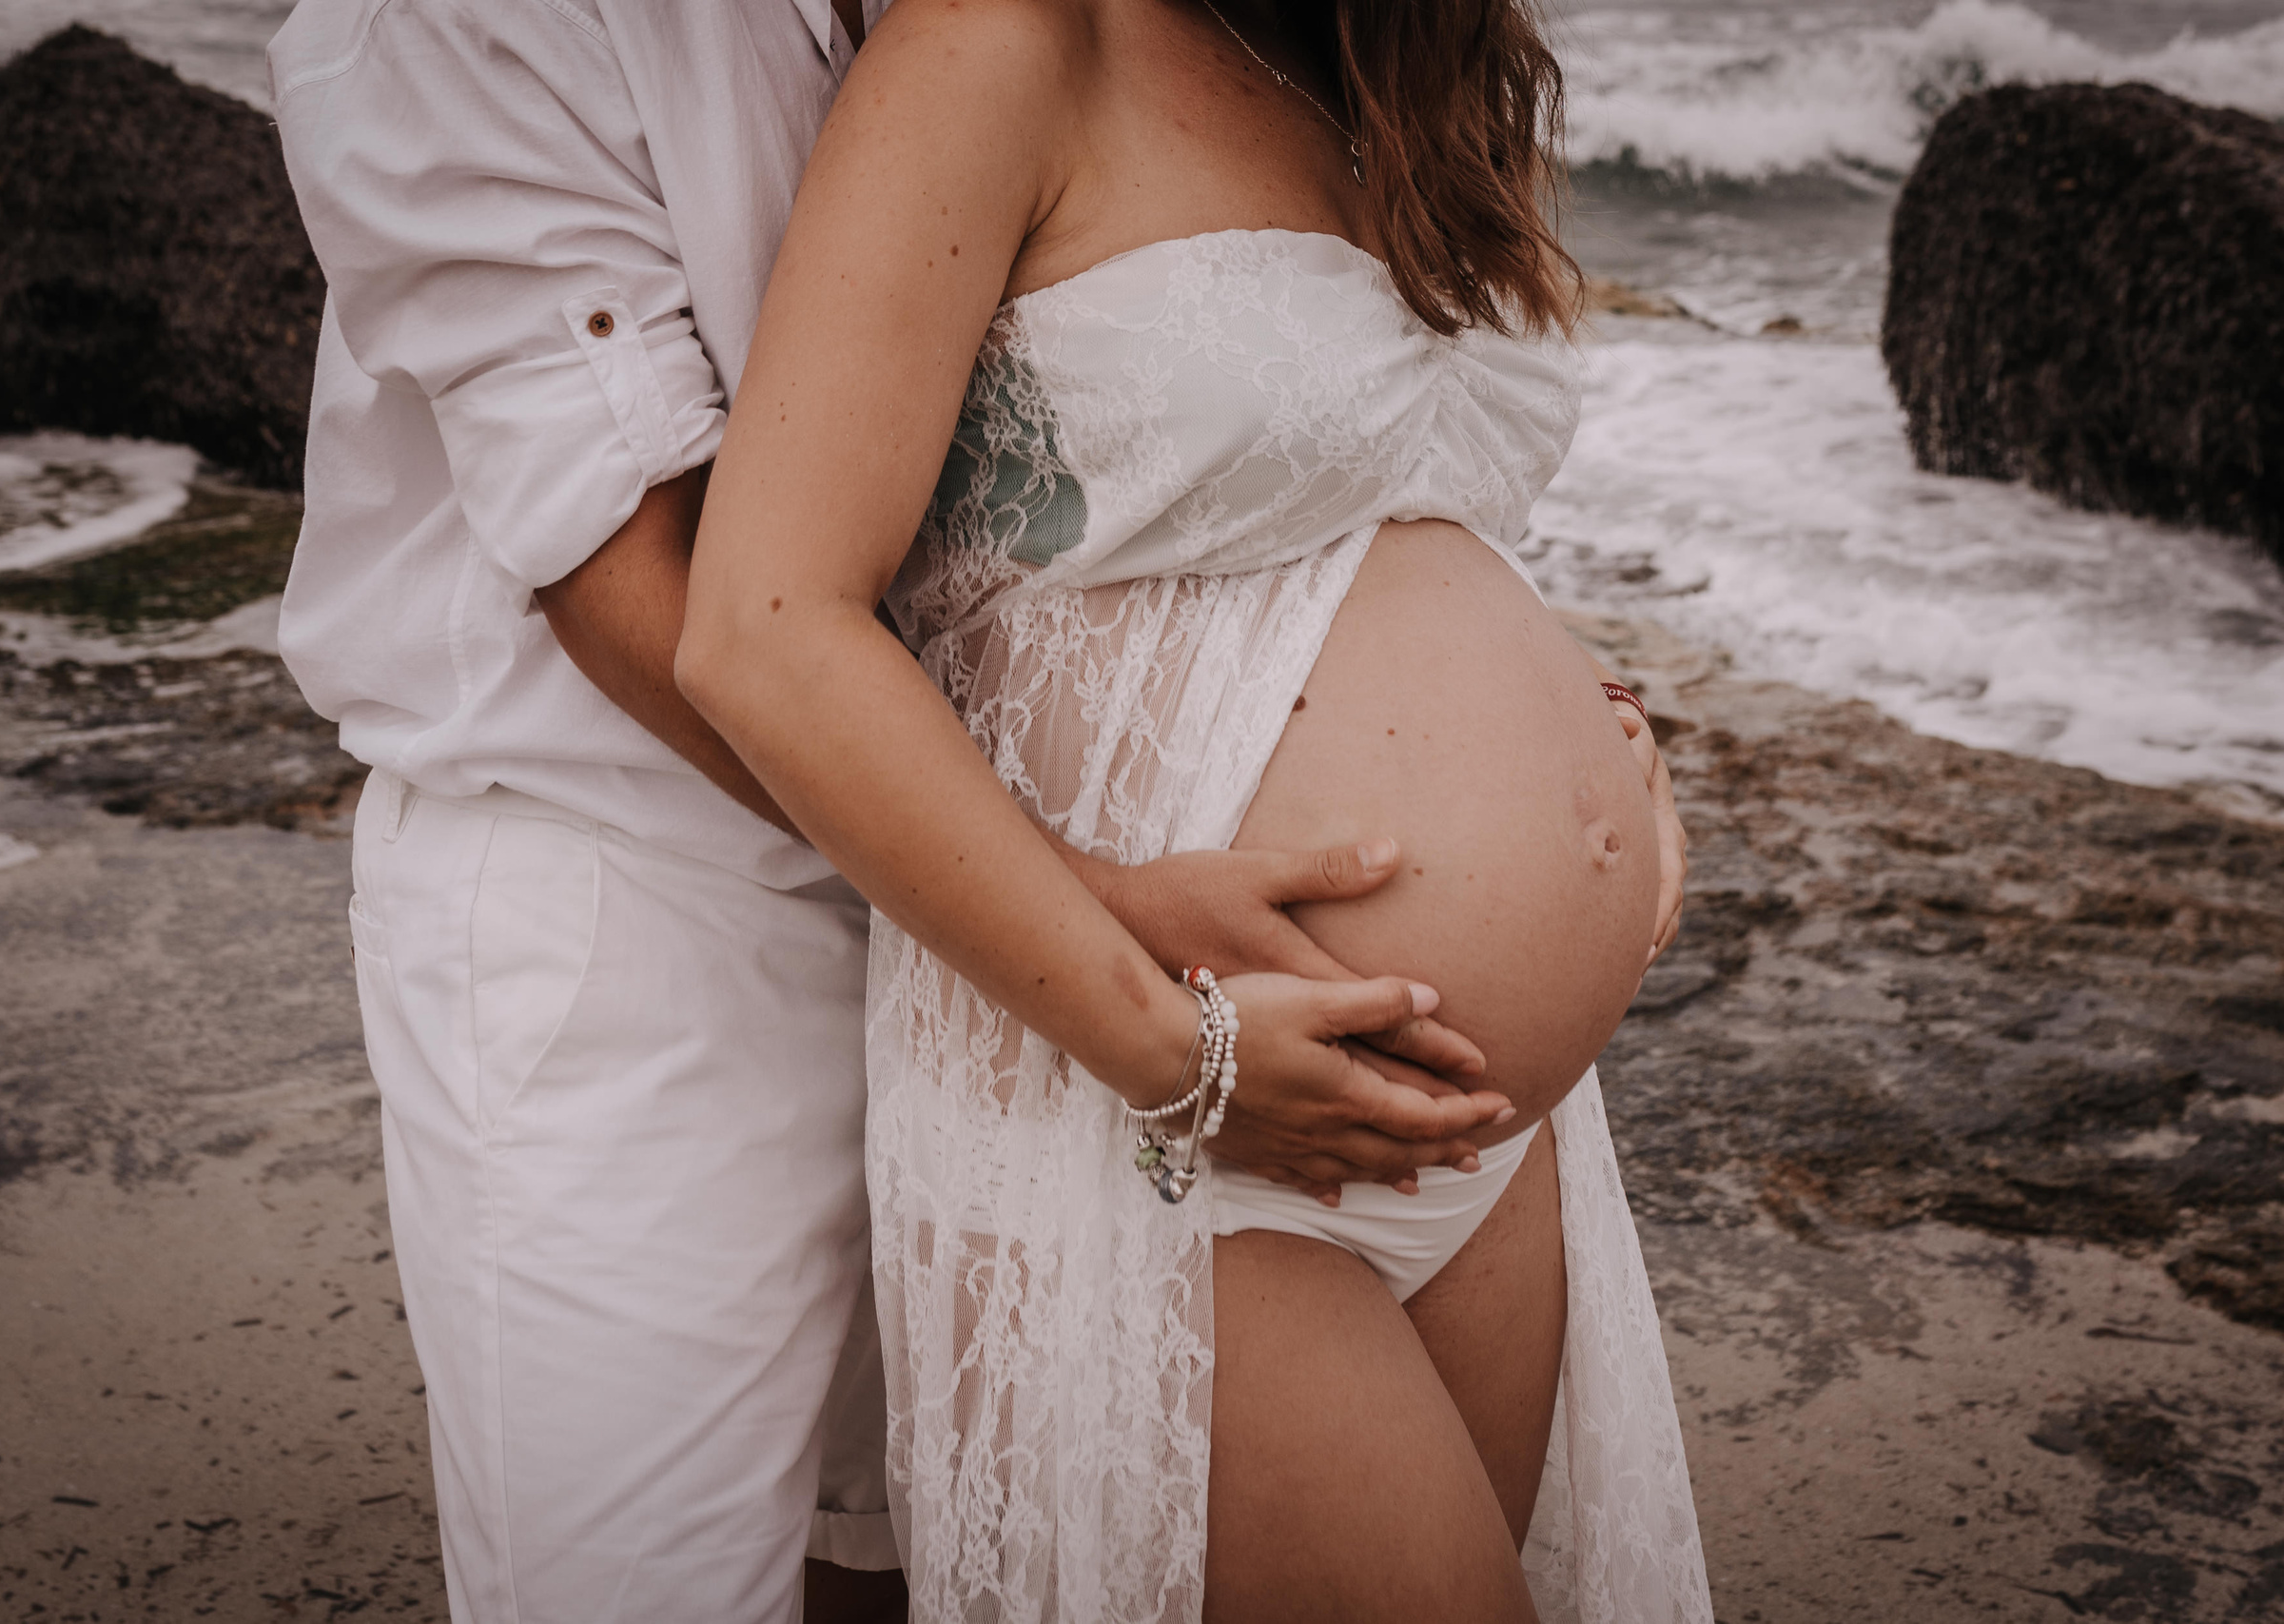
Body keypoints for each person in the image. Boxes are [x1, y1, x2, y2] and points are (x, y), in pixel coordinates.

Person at [263, 0, 1675, 1618]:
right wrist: (1128, 982)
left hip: (1220, 1023)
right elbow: (674, 586)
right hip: (651, 900)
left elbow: (1315, 496)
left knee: (875, 1565)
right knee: (641, 1584)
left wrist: (1596, 739)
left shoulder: (1343, 52)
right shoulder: (494, 25)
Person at [675, 0, 1712, 1617]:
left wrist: (1603, 742)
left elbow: (1387, 508)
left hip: (1486, 1148)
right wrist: (1182, 1060)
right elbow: (768, 630)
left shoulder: (1400, 68)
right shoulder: (1003, 42)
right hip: (1155, 1124)